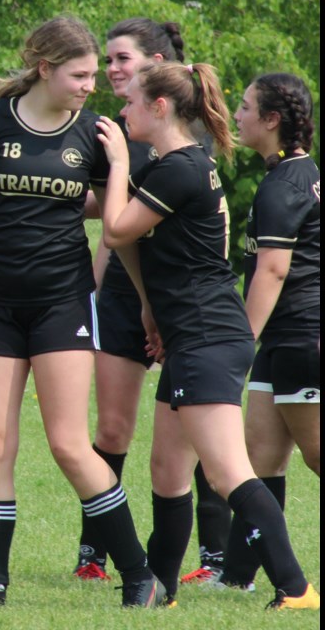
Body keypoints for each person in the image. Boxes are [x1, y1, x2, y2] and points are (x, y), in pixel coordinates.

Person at [0, 16, 163, 608]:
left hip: (62, 303)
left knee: (68, 443)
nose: (93, 84)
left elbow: (119, 228)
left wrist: (144, 301)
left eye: (94, 74)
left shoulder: (97, 133)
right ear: (45, 69)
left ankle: (137, 575)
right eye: (80, 74)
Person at [96, 59, 319, 610]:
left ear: (160, 107)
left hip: (207, 336)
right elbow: (131, 242)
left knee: (227, 474)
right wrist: (150, 310)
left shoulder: (180, 169)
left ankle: (296, 589)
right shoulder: (173, 165)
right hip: (188, 334)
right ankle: (159, 590)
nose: (121, 111)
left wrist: (119, 159)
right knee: (168, 469)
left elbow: (115, 227)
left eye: (130, 103)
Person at [74, 17, 232, 585]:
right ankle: (94, 553)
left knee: (194, 441)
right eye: (107, 59)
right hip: (125, 295)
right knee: (112, 430)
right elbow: (107, 222)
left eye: (122, 59)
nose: (111, 70)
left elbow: (129, 221)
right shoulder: (108, 131)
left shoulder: (176, 140)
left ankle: (213, 558)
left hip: (180, 306)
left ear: (158, 68)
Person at [216, 72, 319, 592]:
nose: (237, 114)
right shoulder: (290, 175)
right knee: (258, 459)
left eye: (245, 106)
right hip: (281, 341)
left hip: (303, 336)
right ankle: (236, 579)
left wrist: (240, 341)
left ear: (272, 120)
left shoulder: (284, 185)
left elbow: (272, 271)